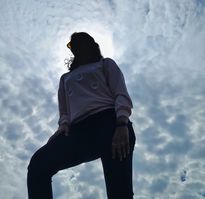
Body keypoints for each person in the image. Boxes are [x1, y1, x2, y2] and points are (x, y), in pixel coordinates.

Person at [27, 32, 136, 199]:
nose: (75, 48)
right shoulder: (65, 78)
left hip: (109, 124)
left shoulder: (105, 64)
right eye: (72, 45)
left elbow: (120, 93)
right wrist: (62, 128)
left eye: (78, 43)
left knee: (119, 193)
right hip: (78, 131)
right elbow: (64, 111)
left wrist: (121, 123)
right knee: (38, 164)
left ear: (90, 44)